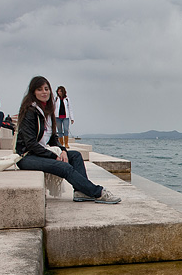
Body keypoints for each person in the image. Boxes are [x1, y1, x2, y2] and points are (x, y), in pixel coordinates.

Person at [15, 75, 120, 204]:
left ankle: (80, 192)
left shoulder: (47, 112)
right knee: (64, 167)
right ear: (33, 92)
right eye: (39, 89)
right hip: (27, 157)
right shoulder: (30, 111)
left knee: (75, 156)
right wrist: (54, 156)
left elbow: (53, 138)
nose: (44, 92)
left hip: (41, 153)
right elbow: (30, 144)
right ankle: (98, 192)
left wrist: (63, 150)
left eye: (46, 89)